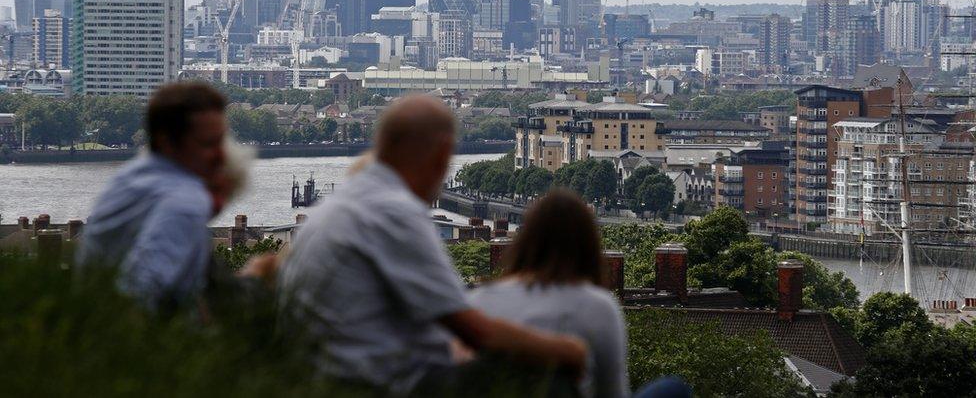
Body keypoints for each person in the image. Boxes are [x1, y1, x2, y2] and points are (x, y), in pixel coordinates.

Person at [278, 95, 587, 396]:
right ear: (442, 153)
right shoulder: (395, 211)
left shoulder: (337, 207)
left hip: (323, 380)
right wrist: (567, 350)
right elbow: (476, 332)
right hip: (375, 385)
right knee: (548, 380)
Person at [470, 189, 692, 398]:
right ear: (588, 245)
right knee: (673, 388)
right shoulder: (598, 306)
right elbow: (612, 392)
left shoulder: (480, 300)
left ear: (525, 240)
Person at [77, 82, 227, 311]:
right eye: (208, 144)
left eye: (221, 141)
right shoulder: (186, 200)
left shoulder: (129, 177)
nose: (221, 155)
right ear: (167, 143)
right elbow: (140, 296)